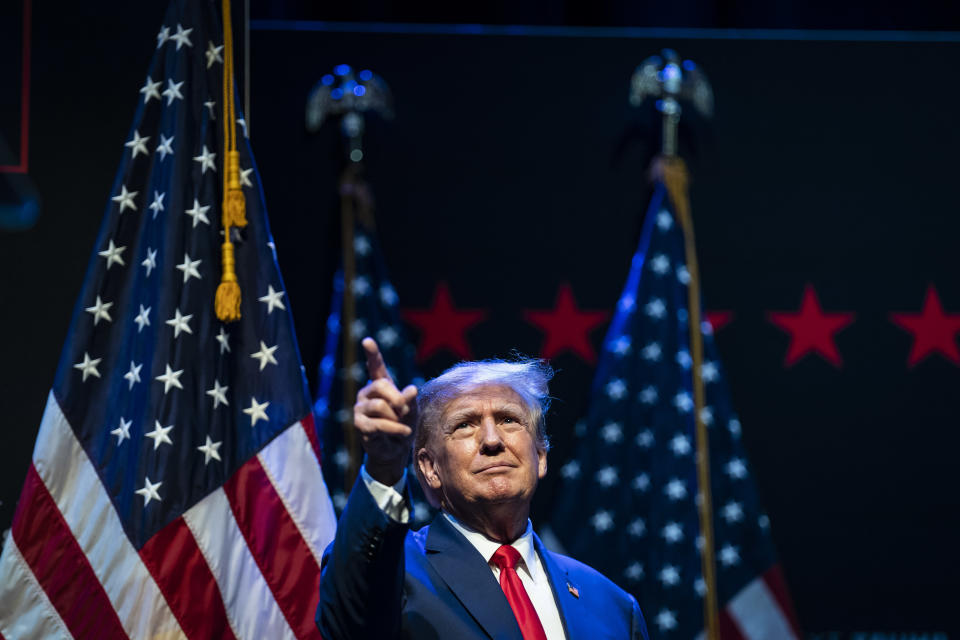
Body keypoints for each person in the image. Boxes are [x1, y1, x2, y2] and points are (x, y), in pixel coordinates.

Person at [316, 337, 649, 640]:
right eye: (465, 424)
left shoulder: (612, 606)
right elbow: (347, 623)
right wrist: (384, 467)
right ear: (431, 469)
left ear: (541, 456)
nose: (492, 441)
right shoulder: (395, 573)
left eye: (508, 419)